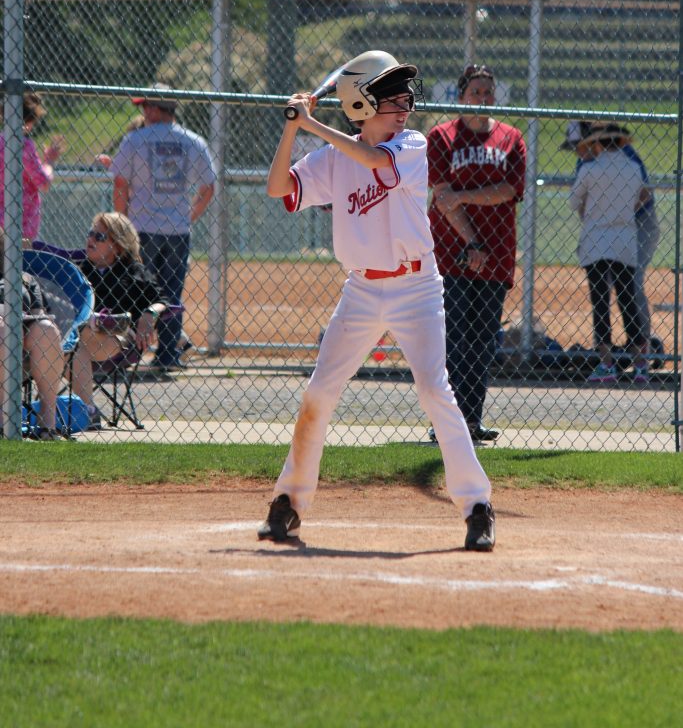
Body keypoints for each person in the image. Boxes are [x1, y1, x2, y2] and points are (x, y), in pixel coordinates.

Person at [257, 50, 495, 552]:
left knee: (434, 391)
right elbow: (280, 188)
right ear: (361, 105)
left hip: (416, 287)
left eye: (404, 94)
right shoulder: (330, 157)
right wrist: (291, 128)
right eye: (391, 97)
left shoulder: (412, 144)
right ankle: (288, 504)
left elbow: (368, 159)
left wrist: (312, 127)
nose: (405, 104)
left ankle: (477, 507)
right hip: (362, 289)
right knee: (319, 394)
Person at [427, 63, 526, 443]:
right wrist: (471, 242)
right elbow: (441, 196)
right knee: (453, 339)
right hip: (452, 250)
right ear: (461, 96)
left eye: (488, 91)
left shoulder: (510, 137)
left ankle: (471, 420)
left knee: (483, 340)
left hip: (497, 251)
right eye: (476, 92)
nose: (483, 98)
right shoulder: (441, 137)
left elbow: (509, 190)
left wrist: (464, 196)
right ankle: (445, 422)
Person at [109, 83, 216, 371]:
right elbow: (208, 187)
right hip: (178, 230)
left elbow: (120, 183)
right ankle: (168, 356)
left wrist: (122, 225)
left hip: (141, 227)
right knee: (171, 294)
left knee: (133, 289)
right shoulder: (193, 140)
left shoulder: (135, 140)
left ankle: (124, 355)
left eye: (145, 106)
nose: (143, 112)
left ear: (156, 109)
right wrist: (189, 216)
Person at [562, 119, 659, 356]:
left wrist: (616, 212)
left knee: (630, 284)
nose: (577, 151)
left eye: (579, 145)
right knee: (611, 291)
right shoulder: (587, 163)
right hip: (615, 230)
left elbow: (644, 195)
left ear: (595, 140)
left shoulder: (621, 156)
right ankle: (634, 353)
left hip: (642, 221)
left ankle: (642, 344)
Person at [69, 212, 168, 427]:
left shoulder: (133, 272)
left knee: (77, 339)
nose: (91, 240)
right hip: (76, 341)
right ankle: (86, 409)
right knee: (70, 343)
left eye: (100, 237)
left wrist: (149, 315)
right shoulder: (79, 269)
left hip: (118, 341)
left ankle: (85, 410)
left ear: (118, 246)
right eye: (90, 233)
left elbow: (162, 300)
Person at [0, 228, 64, 440]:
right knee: (3, 328)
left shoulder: (23, 278)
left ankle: (48, 420)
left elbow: (38, 313)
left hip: (20, 339)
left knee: (45, 329)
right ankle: (4, 419)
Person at [0, 92, 66, 239]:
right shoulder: (24, 145)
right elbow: (43, 183)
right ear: (29, 123)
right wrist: (49, 161)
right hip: (22, 225)